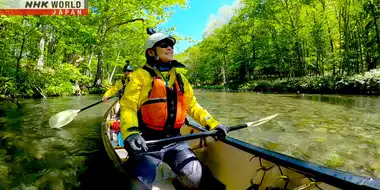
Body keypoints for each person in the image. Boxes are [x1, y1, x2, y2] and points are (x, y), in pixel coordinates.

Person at [119, 30, 229, 189]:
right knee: (138, 183)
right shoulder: (139, 77)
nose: (170, 48)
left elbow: (193, 106)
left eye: (171, 45)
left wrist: (214, 124)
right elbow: (128, 106)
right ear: (151, 52)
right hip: (147, 142)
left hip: (176, 141)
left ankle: (182, 180)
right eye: (164, 45)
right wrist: (131, 133)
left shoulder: (180, 79)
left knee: (200, 178)